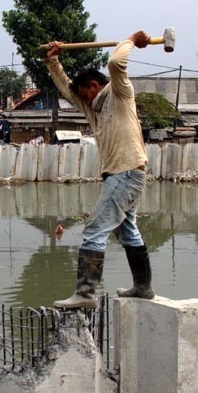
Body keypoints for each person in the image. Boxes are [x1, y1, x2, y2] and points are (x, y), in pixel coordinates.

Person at [45, 31, 154, 309]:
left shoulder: (119, 93)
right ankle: (143, 288)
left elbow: (116, 64)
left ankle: (85, 294)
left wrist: (129, 41)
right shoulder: (94, 107)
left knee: (95, 229)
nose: (84, 100)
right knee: (127, 231)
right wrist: (53, 60)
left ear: (95, 86)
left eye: (86, 94)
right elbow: (68, 89)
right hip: (125, 173)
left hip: (126, 172)